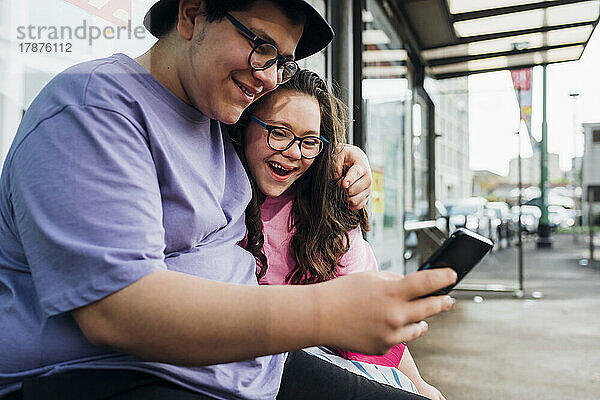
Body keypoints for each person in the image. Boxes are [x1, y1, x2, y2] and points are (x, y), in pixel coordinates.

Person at [0, 1, 456, 399]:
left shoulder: (215, 118)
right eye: (260, 45)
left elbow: (280, 147)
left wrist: (334, 155)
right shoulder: (92, 109)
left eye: (283, 61)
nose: (268, 77)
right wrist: (328, 311)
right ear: (192, 13)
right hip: (120, 375)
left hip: (246, 369)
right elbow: (118, 310)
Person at [233, 69, 445, 400]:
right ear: (245, 122)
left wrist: (422, 386)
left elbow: (365, 325)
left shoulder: (328, 208)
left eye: (309, 141)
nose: (293, 152)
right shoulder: (220, 200)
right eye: (279, 132)